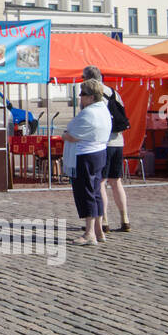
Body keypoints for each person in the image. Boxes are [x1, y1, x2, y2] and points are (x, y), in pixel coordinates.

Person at [62, 79, 113, 245]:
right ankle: (98, 231)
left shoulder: (89, 113)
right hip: (99, 153)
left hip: (86, 155)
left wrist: (65, 135)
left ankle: (89, 232)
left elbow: (72, 133)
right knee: (96, 191)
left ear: (91, 97)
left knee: (86, 193)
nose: (80, 97)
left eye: (83, 94)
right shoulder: (103, 109)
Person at [83, 65, 131, 233]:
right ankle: (125, 219)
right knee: (116, 181)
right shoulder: (114, 92)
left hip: (103, 143)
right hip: (119, 141)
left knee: (101, 182)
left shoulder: (94, 95)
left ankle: (104, 222)